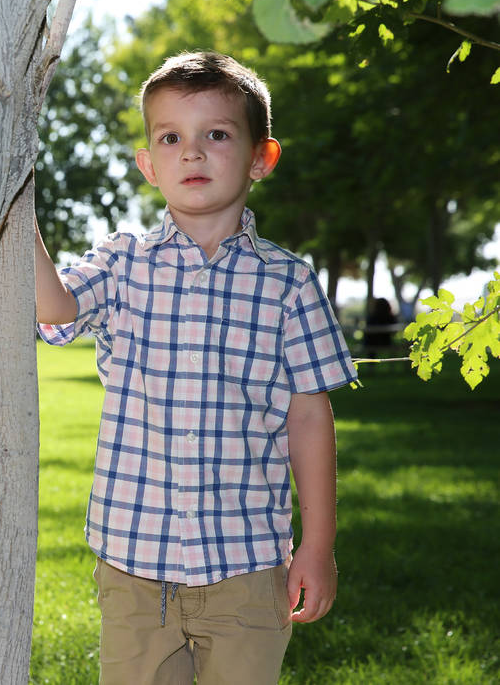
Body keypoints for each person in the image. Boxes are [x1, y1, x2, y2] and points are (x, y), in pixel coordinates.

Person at [34, 51, 358, 684]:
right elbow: (54, 308)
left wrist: (318, 546)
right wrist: (15, 213)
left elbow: (311, 418)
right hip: (135, 567)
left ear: (262, 158)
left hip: (248, 568)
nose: (192, 153)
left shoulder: (288, 283)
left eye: (216, 134)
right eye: (171, 137)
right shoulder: (124, 264)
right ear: (148, 165)